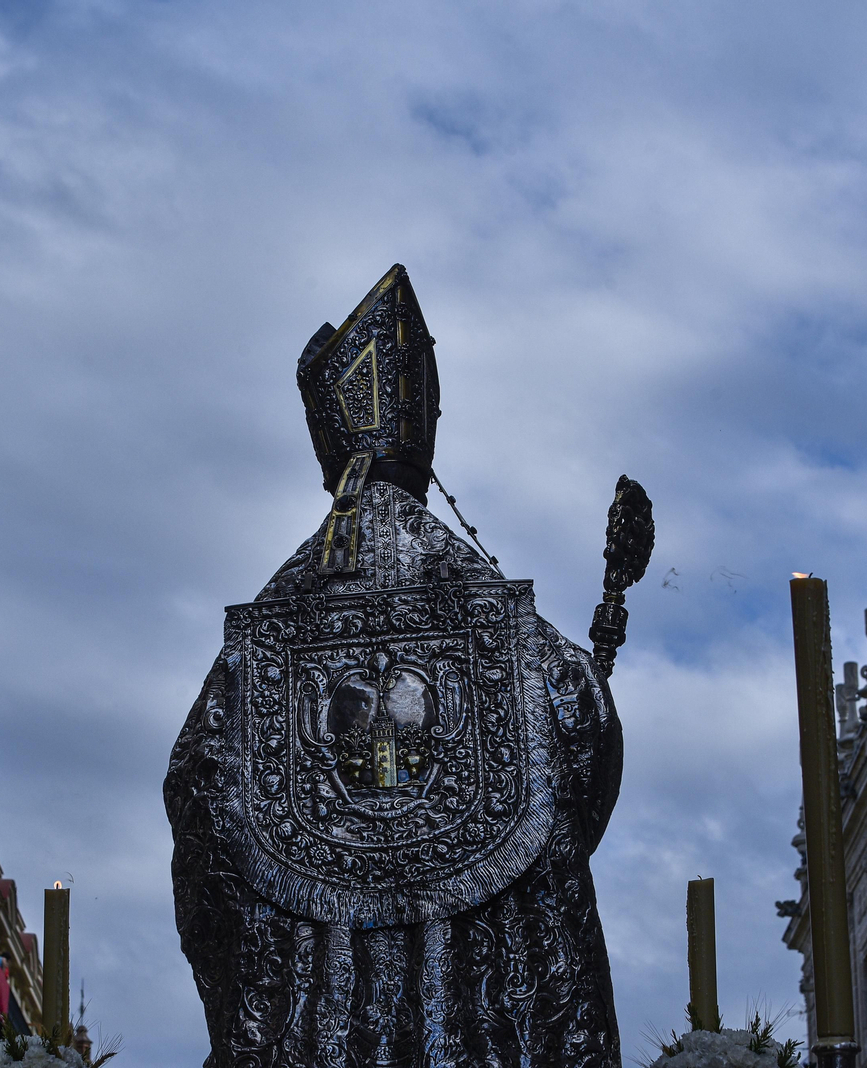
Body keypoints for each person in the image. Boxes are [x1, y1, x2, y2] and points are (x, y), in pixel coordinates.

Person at [165, 264, 637, 1067]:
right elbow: (583, 739)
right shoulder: (497, 609)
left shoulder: (277, 617)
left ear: (332, 444)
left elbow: (202, 805)